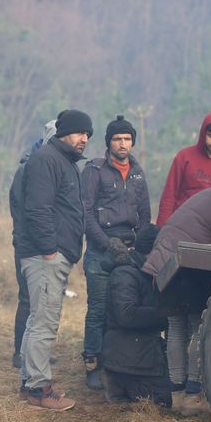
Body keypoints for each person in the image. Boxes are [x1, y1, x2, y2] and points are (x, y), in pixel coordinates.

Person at [17, 109, 93, 411]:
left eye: (87, 134)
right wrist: (50, 251)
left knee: (38, 319)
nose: (84, 139)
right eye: (79, 133)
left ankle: (29, 382)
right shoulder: (46, 160)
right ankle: (39, 388)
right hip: (44, 255)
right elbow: (37, 209)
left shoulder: (65, 162)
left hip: (55, 254)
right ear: (63, 133)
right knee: (45, 323)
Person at [142, 186, 211, 415]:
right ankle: (194, 395)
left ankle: (178, 396)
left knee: (175, 326)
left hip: (166, 261)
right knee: (196, 326)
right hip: (189, 263)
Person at [80, 114, 151, 390]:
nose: (123, 144)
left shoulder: (137, 172)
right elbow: (85, 213)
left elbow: (145, 212)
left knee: (122, 308)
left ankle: (117, 363)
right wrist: (107, 244)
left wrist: (140, 242)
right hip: (101, 251)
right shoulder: (94, 170)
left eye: (127, 139)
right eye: (117, 139)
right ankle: (92, 362)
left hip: (131, 250)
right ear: (109, 142)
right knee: (97, 308)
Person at [101, 224, 172, 407]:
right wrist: (168, 313)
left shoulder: (141, 270)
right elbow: (127, 315)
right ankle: (118, 389)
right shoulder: (125, 274)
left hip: (136, 354)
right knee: (167, 398)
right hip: (129, 358)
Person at [9, 119, 56, 369]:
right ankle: (20, 352)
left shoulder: (56, 166)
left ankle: (36, 351)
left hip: (48, 244)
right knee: (28, 299)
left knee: (44, 301)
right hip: (29, 245)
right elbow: (23, 211)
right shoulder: (27, 169)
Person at [156, 109, 211, 226]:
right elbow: (169, 195)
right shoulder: (184, 157)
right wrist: (161, 228)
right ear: (203, 133)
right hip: (182, 223)